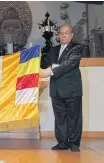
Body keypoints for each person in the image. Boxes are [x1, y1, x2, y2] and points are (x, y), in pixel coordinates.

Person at [41, 24, 84, 152]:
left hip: (72, 89)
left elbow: (69, 64)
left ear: (71, 35)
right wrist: (35, 55)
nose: (64, 35)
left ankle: (74, 144)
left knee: (73, 118)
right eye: (61, 33)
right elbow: (44, 64)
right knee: (60, 118)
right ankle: (62, 143)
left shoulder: (77, 48)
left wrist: (50, 72)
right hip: (56, 90)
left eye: (67, 33)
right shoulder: (53, 50)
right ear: (58, 35)